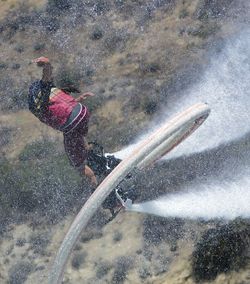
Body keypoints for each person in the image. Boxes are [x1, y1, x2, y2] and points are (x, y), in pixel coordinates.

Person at [28, 56, 98, 186]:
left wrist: (47, 64)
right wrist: (78, 100)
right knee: (76, 137)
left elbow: (46, 78)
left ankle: (100, 190)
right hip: (82, 111)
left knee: (77, 165)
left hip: (72, 123)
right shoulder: (52, 91)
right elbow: (62, 106)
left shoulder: (40, 102)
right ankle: (93, 157)